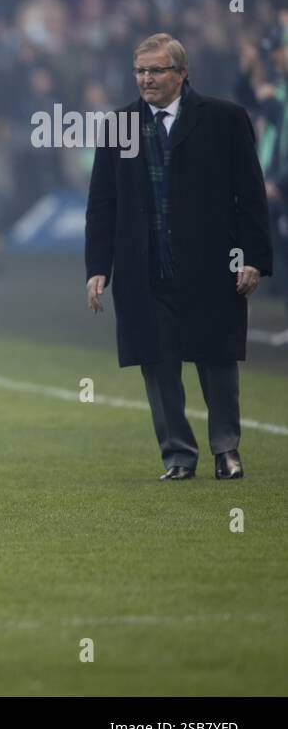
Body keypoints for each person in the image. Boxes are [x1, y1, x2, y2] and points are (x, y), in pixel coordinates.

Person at [86, 33, 273, 481]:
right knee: (158, 363)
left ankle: (226, 450)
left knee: (217, 360)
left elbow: (249, 196)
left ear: (182, 73)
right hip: (143, 266)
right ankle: (177, 455)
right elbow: (102, 203)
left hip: (212, 264)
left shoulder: (225, 120)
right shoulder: (118, 126)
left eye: (156, 71)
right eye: (140, 72)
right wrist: (97, 267)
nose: (146, 80)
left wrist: (253, 257)